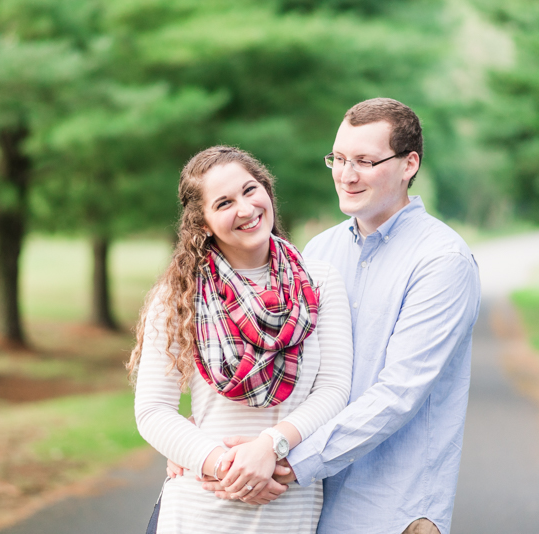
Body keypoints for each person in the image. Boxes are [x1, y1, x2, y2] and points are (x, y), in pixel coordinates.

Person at [195, 98, 481, 534]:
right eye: (339, 158)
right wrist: (201, 450)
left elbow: (398, 393)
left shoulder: (442, 260)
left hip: (393, 507)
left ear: (409, 164)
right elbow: (278, 366)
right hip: (308, 505)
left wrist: (287, 459)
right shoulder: (318, 253)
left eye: (365, 161)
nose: (346, 175)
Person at [128, 146, 353, 533]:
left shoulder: (320, 282)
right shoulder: (180, 293)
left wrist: (270, 447)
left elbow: (333, 389)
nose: (246, 209)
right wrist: (224, 465)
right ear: (203, 223)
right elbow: (153, 411)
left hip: (289, 507)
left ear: (267, 190)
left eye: (250, 190)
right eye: (224, 203)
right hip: (202, 508)